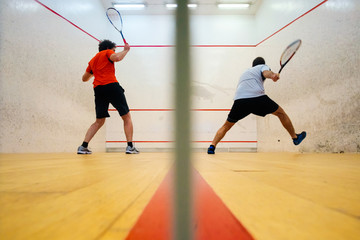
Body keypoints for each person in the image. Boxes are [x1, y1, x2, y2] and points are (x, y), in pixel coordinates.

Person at [207, 57, 306, 154]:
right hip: (257, 98)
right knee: (281, 113)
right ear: (262, 64)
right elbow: (266, 73)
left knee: (226, 126)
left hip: (239, 101)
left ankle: (212, 146)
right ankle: (295, 137)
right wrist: (272, 75)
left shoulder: (245, 72)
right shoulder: (262, 66)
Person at [77, 39, 139, 154]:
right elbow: (117, 58)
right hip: (111, 86)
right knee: (126, 117)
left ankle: (83, 146)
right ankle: (130, 147)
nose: (114, 52)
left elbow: (84, 78)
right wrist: (125, 50)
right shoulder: (107, 52)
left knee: (99, 121)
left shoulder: (92, 60)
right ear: (109, 49)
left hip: (99, 90)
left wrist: (96, 72)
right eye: (114, 50)